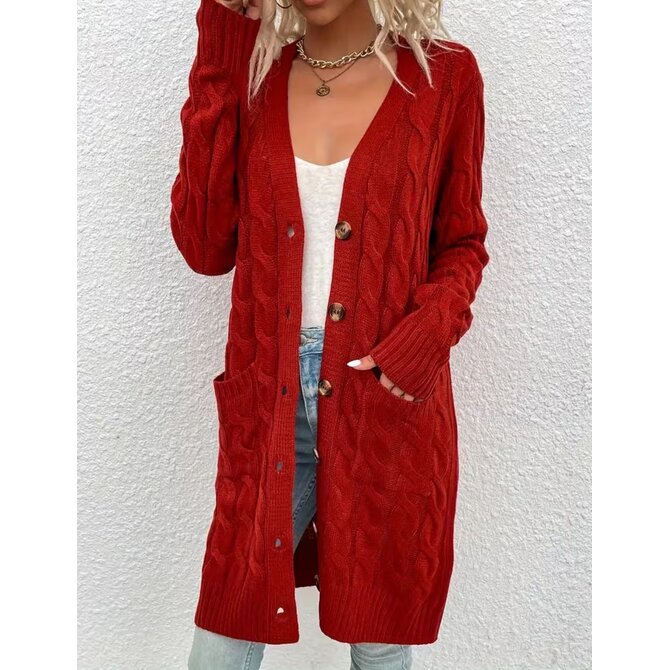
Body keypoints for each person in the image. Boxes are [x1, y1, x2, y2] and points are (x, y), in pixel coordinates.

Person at [169, 0, 489, 667]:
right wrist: (221, 35)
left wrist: (420, 343)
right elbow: (204, 244)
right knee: (225, 629)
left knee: (378, 639)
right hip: (270, 402)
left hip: (381, 402)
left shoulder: (446, 78)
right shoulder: (254, 81)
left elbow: (461, 242)